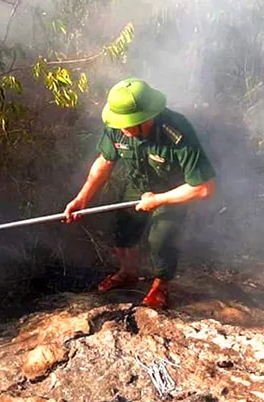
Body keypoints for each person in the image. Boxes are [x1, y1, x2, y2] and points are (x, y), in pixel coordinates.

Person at [63, 77, 216, 308]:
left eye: (129, 124)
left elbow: (203, 187)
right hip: (138, 183)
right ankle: (128, 273)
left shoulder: (177, 131)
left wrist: (158, 200)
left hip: (172, 189)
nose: (123, 130)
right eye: (120, 124)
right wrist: (82, 199)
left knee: (160, 239)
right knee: (123, 229)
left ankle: (161, 286)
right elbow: (104, 161)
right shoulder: (117, 125)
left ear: (148, 117)